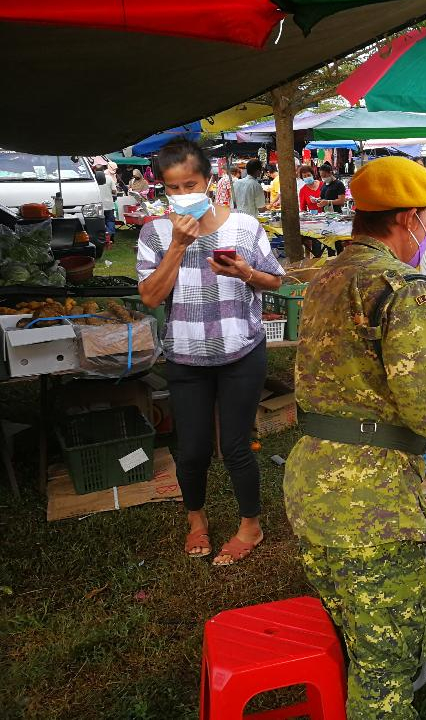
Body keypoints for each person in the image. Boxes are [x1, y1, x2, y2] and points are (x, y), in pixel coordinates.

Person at [283, 156, 426, 719]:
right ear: (409, 218)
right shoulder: (403, 287)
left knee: (355, 641)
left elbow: (359, 365)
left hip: (311, 485)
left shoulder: (326, 278)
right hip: (370, 504)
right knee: (385, 674)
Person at [136, 139, 285, 566]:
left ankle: (250, 526)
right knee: (194, 448)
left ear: (210, 181)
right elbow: (150, 297)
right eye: (174, 187)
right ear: (163, 188)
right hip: (185, 355)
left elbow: (276, 281)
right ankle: (196, 521)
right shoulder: (156, 233)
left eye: (191, 184)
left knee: (237, 445)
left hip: (241, 350)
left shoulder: (243, 226)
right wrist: (178, 246)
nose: (184, 195)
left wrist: (246, 272)